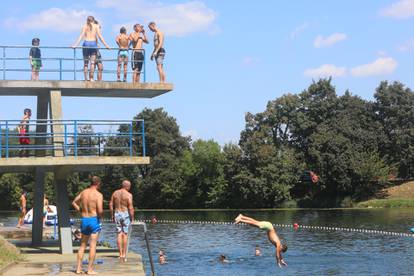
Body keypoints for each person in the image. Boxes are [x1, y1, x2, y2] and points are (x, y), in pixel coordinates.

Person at [72, 176, 104, 275]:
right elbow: (100, 210)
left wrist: (80, 210)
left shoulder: (83, 192)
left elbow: (74, 202)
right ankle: (89, 270)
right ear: (98, 183)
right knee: (93, 245)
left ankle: (78, 269)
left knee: (82, 245)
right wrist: (100, 217)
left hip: (84, 219)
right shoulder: (98, 195)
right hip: (94, 220)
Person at [72, 16, 110, 81]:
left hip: (86, 43)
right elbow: (100, 36)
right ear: (93, 20)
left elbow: (81, 36)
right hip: (93, 44)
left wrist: (75, 45)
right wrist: (106, 45)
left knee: (86, 63)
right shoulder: (96, 26)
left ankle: (86, 79)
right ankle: (91, 78)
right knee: (92, 63)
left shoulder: (85, 26)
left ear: (87, 20)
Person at [109, 180, 134, 259]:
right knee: (125, 234)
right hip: (125, 213)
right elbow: (130, 207)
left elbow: (110, 204)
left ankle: (120, 254)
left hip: (117, 213)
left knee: (119, 233)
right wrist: (132, 218)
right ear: (127, 186)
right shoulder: (128, 195)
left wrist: (112, 215)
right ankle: (124, 254)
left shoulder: (115, 193)